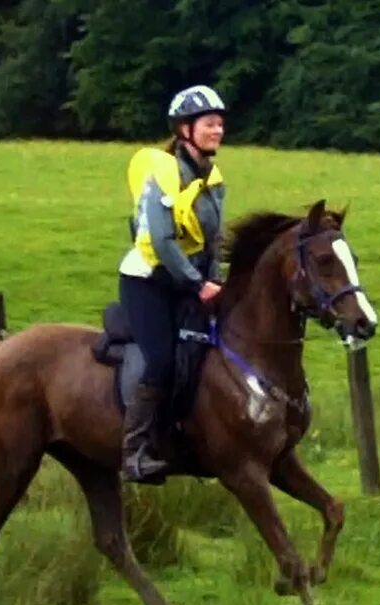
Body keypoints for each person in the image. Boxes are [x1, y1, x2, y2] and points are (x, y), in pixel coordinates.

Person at [117, 84, 227, 484]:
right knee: (162, 362)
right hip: (149, 282)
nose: (217, 131)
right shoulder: (163, 173)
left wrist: (215, 279)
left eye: (219, 124)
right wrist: (199, 285)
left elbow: (214, 239)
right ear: (185, 129)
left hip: (189, 281)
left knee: (207, 355)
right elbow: (162, 240)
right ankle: (133, 453)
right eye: (209, 124)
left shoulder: (213, 177)